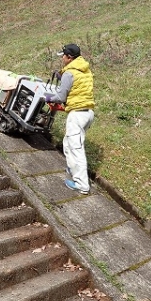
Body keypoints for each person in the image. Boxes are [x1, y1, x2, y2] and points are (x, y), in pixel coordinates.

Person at [45, 44, 95, 195]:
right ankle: (73, 169)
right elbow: (77, 86)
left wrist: (46, 96)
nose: (62, 58)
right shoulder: (84, 70)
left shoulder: (70, 73)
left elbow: (60, 97)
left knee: (75, 149)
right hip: (88, 113)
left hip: (77, 114)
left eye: (64, 56)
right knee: (68, 143)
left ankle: (81, 185)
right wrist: (62, 78)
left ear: (69, 58)